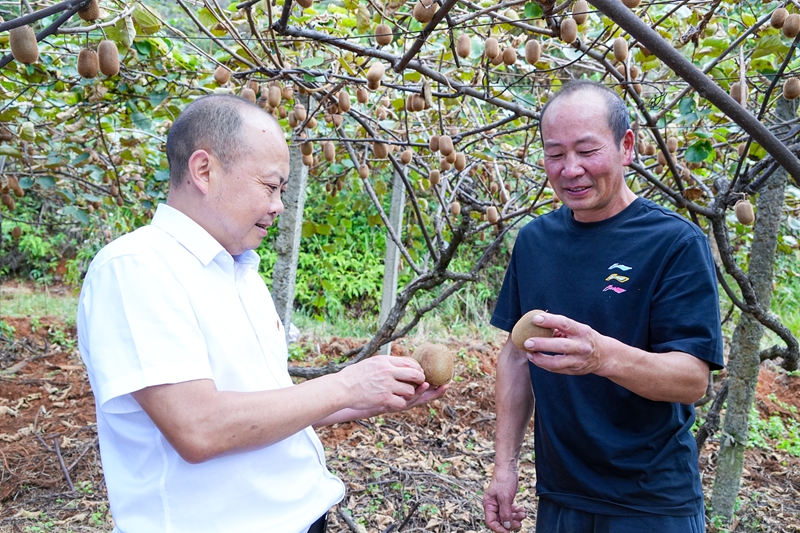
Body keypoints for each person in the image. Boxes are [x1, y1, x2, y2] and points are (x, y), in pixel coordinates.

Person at [77, 94, 447, 533]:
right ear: (204, 170)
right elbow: (199, 428)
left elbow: (270, 403)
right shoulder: (137, 268)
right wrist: (345, 384)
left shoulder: (238, 270)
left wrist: (368, 396)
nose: (277, 205)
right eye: (270, 186)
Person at [482, 80, 724, 533]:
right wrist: (505, 467)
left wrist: (603, 357)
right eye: (555, 154)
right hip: (560, 495)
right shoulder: (535, 241)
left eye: (586, 151)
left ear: (626, 146)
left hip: (650, 503)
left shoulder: (673, 242)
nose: (570, 169)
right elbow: (517, 354)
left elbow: (693, 380)